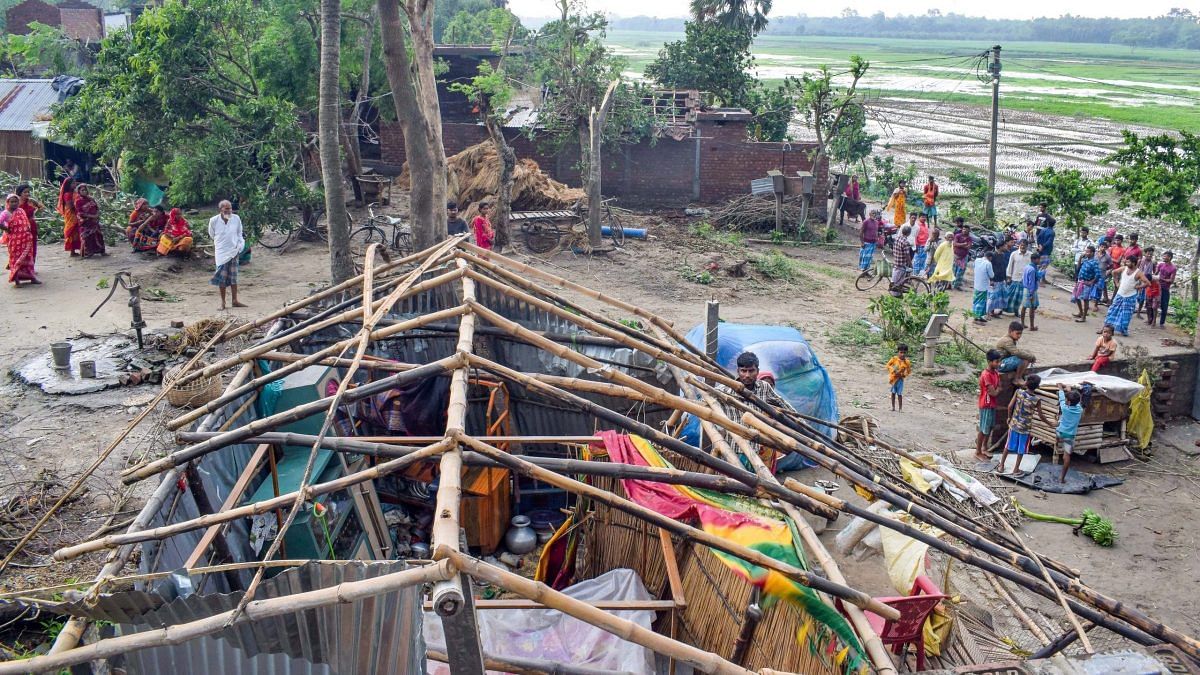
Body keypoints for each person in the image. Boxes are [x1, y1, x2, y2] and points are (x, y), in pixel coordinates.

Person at [719, 351, 797, 471]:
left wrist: (799, 423)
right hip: (734, 448)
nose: (747, 375)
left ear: (757, 371)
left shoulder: (764, 387)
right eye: (743, 371)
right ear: (738, 371)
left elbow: (784, 405)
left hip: (757, 447)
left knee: (755, 485)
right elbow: (705, 402)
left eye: (751, 371)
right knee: (733, 485)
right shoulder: (724, 390)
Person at [998, 375, 1051, 478]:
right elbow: (1041, 415)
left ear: (1026, 383)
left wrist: (1009, 418)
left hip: (1014, 425)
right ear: (1037, 386)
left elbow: (1010, 407)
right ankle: (1016, 469)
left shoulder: (1018, 392)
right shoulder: (1036, 400)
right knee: (1021, 449)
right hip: (1025, 428)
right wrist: (1050, 423)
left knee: (1008, 445)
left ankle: (1001, 466)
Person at [209, 200, 247, 309]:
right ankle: (223, 302)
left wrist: (240, 245)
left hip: (234, 251)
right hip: (221, 253)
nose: (229, 210)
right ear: (220, 210)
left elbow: (240, 234)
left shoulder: (236, 219)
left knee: (233, 278)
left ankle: (235, 300)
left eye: (230, 208)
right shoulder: (213, 221)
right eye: (226, 209)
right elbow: (212, 235)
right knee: (222, 278)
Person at [1104, 256, 1148, 337]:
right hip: (1120, 294)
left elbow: (1147, 283)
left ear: (1134, 263)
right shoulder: (1124, 268)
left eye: (1128, 262)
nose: (1126, 263)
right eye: (1126, 262)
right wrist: (1116, 283)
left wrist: (1138, 287)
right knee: (1112, 311)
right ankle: (1106, 328)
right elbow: (1114, 272)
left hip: (1130, 296)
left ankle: (1123, 330)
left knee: (1126, 315)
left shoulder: (1138, 273)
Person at [0, 194, 38, 285]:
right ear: (8, 203)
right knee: (15, 259)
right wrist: (6, 229)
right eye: (12, 202)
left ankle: (32, 278)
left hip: (26, 239)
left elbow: (26, 222)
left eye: (16, 201)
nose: (14, 203)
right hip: (14, 240)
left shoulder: (21, 210)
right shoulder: (5, 213)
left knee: (29, 258)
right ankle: (17, 280)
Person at [1055, 384, 1084, 484]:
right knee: (1066, 456)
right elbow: (1077, 401)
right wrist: (1070, 391)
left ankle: (1056, 441)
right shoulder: (1080, 410)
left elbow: (1062, 398)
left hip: (1060, 432)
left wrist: (1061, 388)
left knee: (1057, 428)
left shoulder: (1064, 408)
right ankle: (1062, 478)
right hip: (1069, 436)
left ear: (1068, 401)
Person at [976, 349, 1002, 461]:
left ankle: (984, 447)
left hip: (992, 404)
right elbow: (993, 392)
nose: (999, 364)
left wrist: (997, 390)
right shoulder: (986, 375)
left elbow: (998, 388)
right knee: (983, 429)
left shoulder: (995, 373)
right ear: (989, 361)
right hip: (986, 404)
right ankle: (978, 451)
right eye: (996, 361)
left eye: (999, 361)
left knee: (990, 427)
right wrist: (998, 390)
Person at [74, 184, 105, 258]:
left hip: (94, 221)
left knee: (99, 235)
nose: (84, 191)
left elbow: (96, 208)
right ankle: (88, 252)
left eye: (85, 190)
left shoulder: (91, 199)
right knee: (87, 237)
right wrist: (92, 216)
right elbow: (80, 213)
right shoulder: (78, 201)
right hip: (86, 222)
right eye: (82, 190)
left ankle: (101, 251)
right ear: (79, 192)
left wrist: (97, 215)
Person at [1073, 245, 1100, 322]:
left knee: (1085, 300)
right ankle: (1081, 313)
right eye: (1086, 251)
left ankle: (1084, 317)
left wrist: (1091, 282)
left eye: (1088, 252)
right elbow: (1078, 268)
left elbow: (1098, 274)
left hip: (1086, 283)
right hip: (1080, 281)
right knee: (1077, 297)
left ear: (1092, 253)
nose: (1086, 253)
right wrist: (1080, 258)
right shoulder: (1085, 260)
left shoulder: (1094, 262)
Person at [1005, 238, 1032, 315]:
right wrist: (1008, 276)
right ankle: (1003, 309)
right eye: (1021, 245)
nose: (1022, 247)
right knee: (1009, 295)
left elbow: (1032, 267)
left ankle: (1016, 311)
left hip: (1024, 280)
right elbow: (1010, 265)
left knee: (1020, 297)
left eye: (1024, 246)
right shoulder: (1014, 254)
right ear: (1019, 245)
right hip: (1014, 277)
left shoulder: (1030, 255)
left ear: (1027, 246)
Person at [987, 237, 1012, 318]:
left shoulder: (1002, 255)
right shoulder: (993, 255)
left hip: (1001, 279)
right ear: (1000, 247)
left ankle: (993, 311)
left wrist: (1005, 278)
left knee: (999, 296)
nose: (1006, 247)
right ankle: (989, 312)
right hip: (995, 279)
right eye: (1004, 246)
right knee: (993, 296)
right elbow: (990, 268)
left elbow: (1003, 267)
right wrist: (991, 279)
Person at [15, 184, 41, 260]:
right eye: (25, 192)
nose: (27, 194)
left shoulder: (31, 201)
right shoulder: (15, 203)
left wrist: (34, 215)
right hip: (20, 229)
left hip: (31, 226)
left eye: (28, 192)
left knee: (33, 246)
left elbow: (41, 207)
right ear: (20, 193)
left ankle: (31, 266)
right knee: (21, 247)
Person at [57, 177, 80, 256]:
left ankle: (75, 250)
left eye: (75, 183)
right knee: (72, 231)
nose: (75, 184)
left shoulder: (73, 193)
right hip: (71, 214)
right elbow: (70, 206)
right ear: (68, 185)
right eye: (73, 183)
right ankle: (72, 251)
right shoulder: (67, 194)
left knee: (76, 231)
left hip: (74, 213)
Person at [886, 343, 912, 412]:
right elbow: (888, 365)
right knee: (893, 393)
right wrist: (893, 370)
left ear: (906, 353)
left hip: (900, 380)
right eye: (901, 352)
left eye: (904, 353)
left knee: (899, 394)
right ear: (898, 352)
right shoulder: (894, 359)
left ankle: (900, 408)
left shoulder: (907, 362)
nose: (902, 354)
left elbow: (909, 371)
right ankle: (893, 407)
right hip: (894, 379)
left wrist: (903, 375)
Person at [972, 247, 994, 324]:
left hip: (976, 283)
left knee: (976, 301)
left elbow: (974, 267)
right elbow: (991, 275)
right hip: (983, 285)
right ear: (990, 257)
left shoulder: (977, 260)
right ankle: (976, 318)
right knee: (980, 302)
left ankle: (980, 316)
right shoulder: (988, 263)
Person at [1155, 251, 1176, 328]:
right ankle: (1152, 320)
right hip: (1157, 287)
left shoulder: (1173, 268)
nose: (1163, 257)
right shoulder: (1160, 265)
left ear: (1169, 258)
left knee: (1164, 306)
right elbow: (1156, 274)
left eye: (1165, 256)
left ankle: (1161, 323)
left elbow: (1171, 280)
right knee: (1154, 303)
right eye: (1163, 256)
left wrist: (1162, 279)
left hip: (1165, 288)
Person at [1021, 252, 1041, 331]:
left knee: (1024, 306)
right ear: (1034, 259)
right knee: (1032, 308)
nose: (1039, 261)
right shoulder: (1033, 269)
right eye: (1038, 259)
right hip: (1030, 290)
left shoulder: (1027, 267)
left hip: (1025, 288)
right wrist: (1031, 293)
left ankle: (1022, 323)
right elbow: (1032, 282)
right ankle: (1031, 326)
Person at [890, 224, 914, 292]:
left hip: (896, 260)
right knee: (899, 280)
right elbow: (907, 255)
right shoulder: (905, 242)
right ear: (909, 233)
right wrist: (910, 264)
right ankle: (895, 293)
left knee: (895, 278)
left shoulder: (897, 238)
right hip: (902, 263)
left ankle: (895, 291)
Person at [1034, 209, 1055, 281]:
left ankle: (1040, 278)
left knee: (1039, 264)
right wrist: (1043, 246)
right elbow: (1049, 242)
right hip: (1046, 251)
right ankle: (1040, 279)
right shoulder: (1052, 232)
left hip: (1040, 250)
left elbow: (1038, 238)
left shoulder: (1043, 230)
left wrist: (1039, 245)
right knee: (1044, 266)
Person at [1138, 247, 1158, 319]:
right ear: (1145, 254)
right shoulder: (1141, 261)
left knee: (1143, 298)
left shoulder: (1152, 262)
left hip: (1147, 282)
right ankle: (1137, 312)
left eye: (1151, 255)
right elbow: (1138, 271)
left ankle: (1138, 312)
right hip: (1140, 280)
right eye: (1148, 254)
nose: (1149, 255)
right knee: (1139, 297)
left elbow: (1154, 271)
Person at [951, 219, 971, 290]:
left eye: (966, 230)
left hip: (964, 256)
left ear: (969, 231)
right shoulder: (957, 235)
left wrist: (960, 245)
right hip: (956, 255)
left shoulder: (969, 238)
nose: (964, 231)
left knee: (961, 271)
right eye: (964, 229)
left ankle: (957, 285)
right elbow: (955, 243)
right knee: (954, 269)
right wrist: (963, 244)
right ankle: (951, 283)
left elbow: (968, 246)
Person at [1094, 241, 1113, 308]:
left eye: (1105, 247)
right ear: (1099, 246)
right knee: (1091, 288)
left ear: (1106, 248)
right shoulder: (1095, 254)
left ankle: (1096, 305)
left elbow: (1111, 265)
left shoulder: (1107, 257)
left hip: (1102, 275)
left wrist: (1107, 271)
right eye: (1102, 246)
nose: (1103, 248)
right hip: (1093, 274)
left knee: (1099, 290)